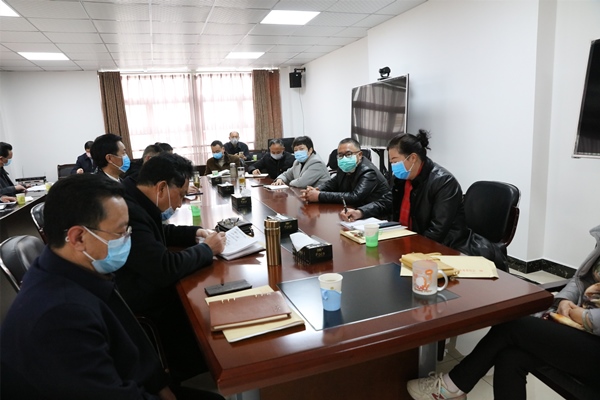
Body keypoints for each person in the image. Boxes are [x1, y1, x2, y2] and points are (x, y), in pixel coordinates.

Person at [0, 174, 174, 399]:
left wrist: (161, 385)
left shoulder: (75, 268)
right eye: (121, 232)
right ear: (78, 237)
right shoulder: (60, 317)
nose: (127, 239)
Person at [406, 223, 600, 400]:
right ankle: (452, 388)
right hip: (578, 328)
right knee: (510, 357)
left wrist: (585, 317)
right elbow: (580, 279)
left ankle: (452, 386)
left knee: (514, 325)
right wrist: (565, 300)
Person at [117, 153, 226, 383]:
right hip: (139, 298)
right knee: (201, 304)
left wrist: (196, 233)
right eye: (182, 195)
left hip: (140, 281)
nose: (179, 203)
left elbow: (158, 232)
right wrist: (206, 250)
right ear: (162, 187)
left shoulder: (137, 196)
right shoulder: (129, 211)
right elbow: (164, 268)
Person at [352, 130, 505, 269]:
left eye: (395, 161)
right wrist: (361, 212)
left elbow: (437, 231)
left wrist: (410, 255)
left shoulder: (443, 182)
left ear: (412, 158)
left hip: (446, 248)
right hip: (410, 242)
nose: (393, 166)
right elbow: (387, 200)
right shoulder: (403, 177)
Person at [301, 138, 392, 220]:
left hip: (374, 216)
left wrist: (319, 196)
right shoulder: (345, 166)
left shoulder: (368, 171)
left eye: (348, 154)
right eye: (340, 155)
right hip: (353, 212)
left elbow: (355, 197)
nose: (344, 158)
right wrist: (317, 190)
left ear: (360, 155)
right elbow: (333, 183)